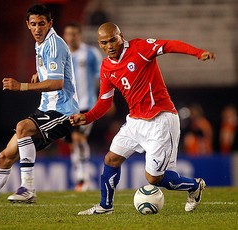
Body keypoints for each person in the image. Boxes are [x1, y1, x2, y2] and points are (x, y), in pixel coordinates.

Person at [70, 22, 216, 215]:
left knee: (154, 179)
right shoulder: (106, 67)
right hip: (135, 122)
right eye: (104, 42)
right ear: (100, 44)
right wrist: (86, 117)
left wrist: (198, 53)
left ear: (121, 36)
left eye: (113, 39)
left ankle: (194, 186)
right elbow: (105, 102)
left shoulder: (140, 48)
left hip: (161, 120)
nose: (110, 45)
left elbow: (170, 44)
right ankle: (106, 206)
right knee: (111, 159)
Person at [0, 4, 79, 216]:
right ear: (27, 25)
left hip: (63, 112)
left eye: (42, 24)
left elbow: (57, 83)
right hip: (46, 109)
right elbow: (54, 73)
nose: (38, 28)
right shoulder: (41, 44)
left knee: (22, 127)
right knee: (5, 156)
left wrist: (21, 86)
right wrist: (39, 75)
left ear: (50, 23)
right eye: (33, 24)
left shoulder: (54, 44)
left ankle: (28, 188)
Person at [63, 22, 102, 191]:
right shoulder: (61, 54)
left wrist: (105, 99)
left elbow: (102, 77)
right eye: (68, 34)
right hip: (66, 106)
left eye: (74, 34)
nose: (71, 37)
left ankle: (82, 178)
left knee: (79, 138)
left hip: (88, 104)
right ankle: (81, 176)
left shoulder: (90, 53)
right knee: (73, 142)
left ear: (80, 35)